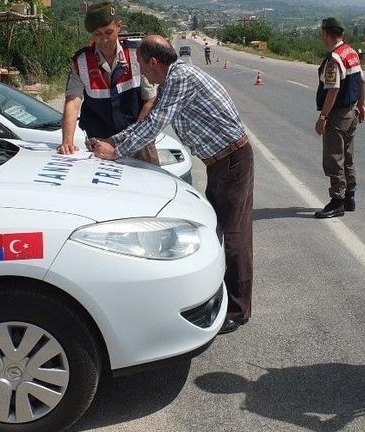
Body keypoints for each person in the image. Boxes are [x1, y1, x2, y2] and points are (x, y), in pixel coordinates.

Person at [90, 35, 254, 336]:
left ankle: (238, 309)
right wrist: (112, 142)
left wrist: (116, 152)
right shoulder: (174, 80)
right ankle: (228, 296)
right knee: (223, 230)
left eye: (142, 66)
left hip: (231, 159)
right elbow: (149, 121)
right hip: (223, 161)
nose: (142, 72)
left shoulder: (180, 78)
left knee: (234, 235)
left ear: (154, 62)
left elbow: (155, 123)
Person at [59, 1, 159, 165]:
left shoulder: (137, 54)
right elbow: (72, 101)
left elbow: (150, 100)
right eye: (98, 34)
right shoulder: (81, 62)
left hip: (138, 140)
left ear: (119, 26)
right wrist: (67, 141)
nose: (104, 39)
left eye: (109, 32)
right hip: (100, 143)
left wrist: (129, 140)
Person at [313, 17, 365, 219]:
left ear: (326, 34)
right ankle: (349, 197)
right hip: (351, 113)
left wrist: (323, 117)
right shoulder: (351, 53)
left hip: (337, 115)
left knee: (334, 158)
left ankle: (337, 200)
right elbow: (362, 81)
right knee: (348, 156)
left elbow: (333, 90)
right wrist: (361, 106)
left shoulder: (334, 59)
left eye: (322, 34)